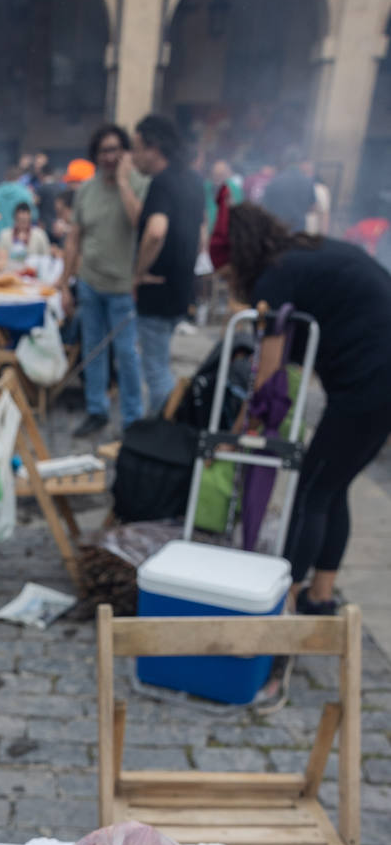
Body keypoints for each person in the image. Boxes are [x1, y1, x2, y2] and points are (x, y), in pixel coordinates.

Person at [214, 200, 391, 615]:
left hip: (371, 379)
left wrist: (242, 428)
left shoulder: (274, 279)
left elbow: (269, 377)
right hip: (377, 376)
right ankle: (320, 596)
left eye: (227, 274)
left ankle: (283, 603)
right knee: (333, 484)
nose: (228, 283)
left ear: (240, 257)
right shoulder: (301, 255)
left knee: (309, 489)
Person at [62, 122, 147, 436]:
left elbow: (141, 222)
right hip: (90, 284)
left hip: (124, 288)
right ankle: (96, 410)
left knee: (127, 356)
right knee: (92, 351)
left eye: (115, 149)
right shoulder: (86, 189)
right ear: (95, 156)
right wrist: (64, 285)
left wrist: (124, 182)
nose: (109, 157)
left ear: (125, 152)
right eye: (103, 151)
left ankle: (132, 419)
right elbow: (74, 238)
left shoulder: (139, 184)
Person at [131, 113, 204, 414]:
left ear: (154, 147)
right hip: (181, 289)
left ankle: (159, 431)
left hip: (156, 292)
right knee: (163, 365)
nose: (134, 157)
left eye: (136, 149)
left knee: (157, 370)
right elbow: (203, 234)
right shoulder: (195, 181)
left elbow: (155, 231)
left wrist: (138, 273)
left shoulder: (161, 184)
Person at [261, 147, 316, 234]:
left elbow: (265, 207)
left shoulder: (274, 181)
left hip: (278, 230)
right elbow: (312, 208)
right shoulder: (308, 182)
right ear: (299, 162)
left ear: (284, 162)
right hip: (298, 231)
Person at [0, 202, 51, 270]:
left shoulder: (39, 235)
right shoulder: (5, 235)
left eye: (25, 221)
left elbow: (46, 257)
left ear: (30, 218)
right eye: (20, 221)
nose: (23, 224)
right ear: (15, 219)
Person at [0, 166, 34, 234]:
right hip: (19, 237)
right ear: (19, 178)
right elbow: (33, 216)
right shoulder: (25, 193)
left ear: (6, 178)